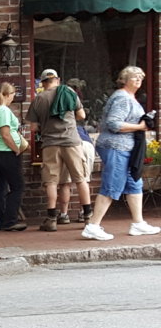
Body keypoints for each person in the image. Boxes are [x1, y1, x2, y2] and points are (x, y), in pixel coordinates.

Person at [81, 66, 161, 241]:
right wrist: (140, 126)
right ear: (124, 80)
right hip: (116, 147)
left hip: (126, 148)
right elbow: (114, 124)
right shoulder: (122, 98)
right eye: (134, 76)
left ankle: (138, 223)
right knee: (112, 185)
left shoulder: (130, 97)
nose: (138, 79)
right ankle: (92, 226)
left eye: (140, 77)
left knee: (135, 184)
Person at [26, 69, 93, 231]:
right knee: (80, 178)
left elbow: (33, 127)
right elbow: (82, 115)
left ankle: (51, 219)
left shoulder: (39, 99)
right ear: (58, 79)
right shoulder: (69, 92)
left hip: (50, 144)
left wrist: (46, 124)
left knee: (51, 181)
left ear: (43, 83)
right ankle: (88, 217)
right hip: (72, 142)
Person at [0, 82, 27, 232]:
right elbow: (5, 134)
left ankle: (0, 221)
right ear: (7, 95)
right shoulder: (3, 110)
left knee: (0, 186)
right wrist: (16, 149)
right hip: (5, 153)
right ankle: (10, 220)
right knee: (17, 186)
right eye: (13, 95)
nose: (13, 99)